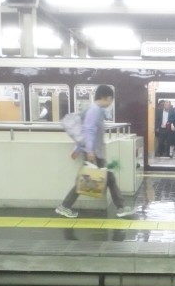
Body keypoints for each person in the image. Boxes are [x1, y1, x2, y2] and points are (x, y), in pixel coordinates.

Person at [55, 85, 134, 219]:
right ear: (105, 97)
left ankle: (121, 207)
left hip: (95, 152)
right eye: (111, 99)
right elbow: (89, 131)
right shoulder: (94, 110)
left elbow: (83, 131)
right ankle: (65, 206)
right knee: (88, 180)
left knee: (105, 178)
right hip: (94, 153)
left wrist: (78, 148)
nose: (111, 102)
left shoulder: (95, 110)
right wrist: (89, 151)